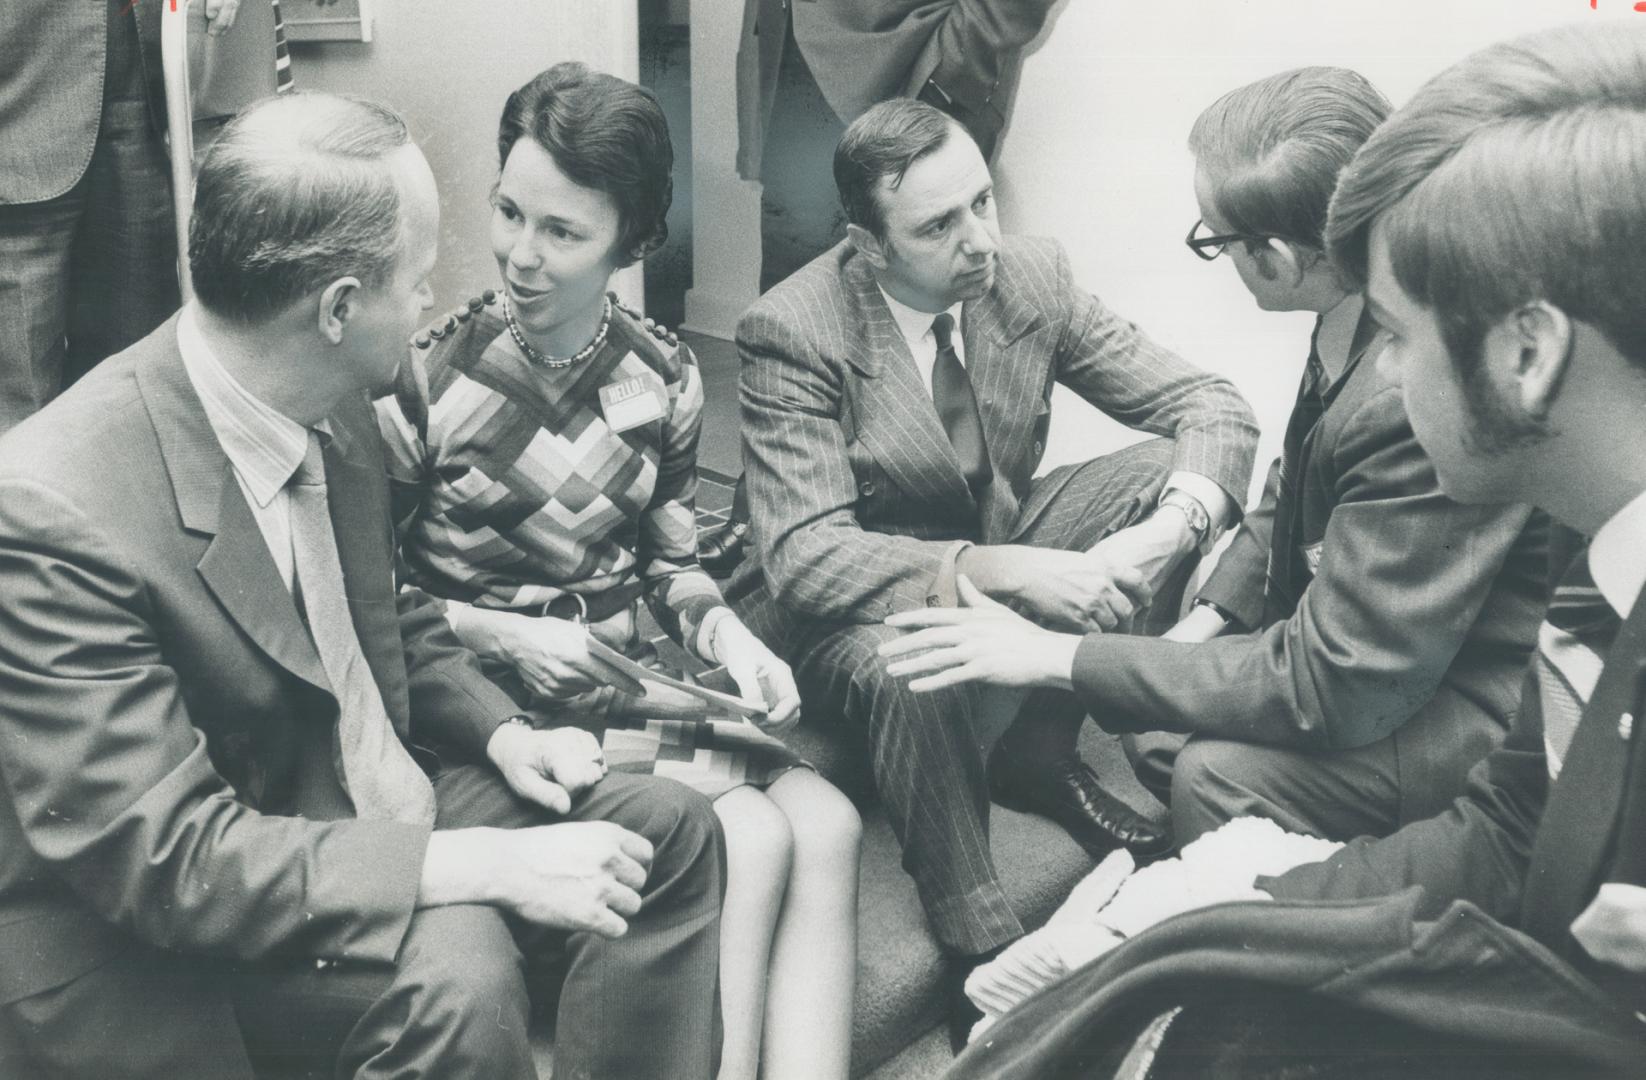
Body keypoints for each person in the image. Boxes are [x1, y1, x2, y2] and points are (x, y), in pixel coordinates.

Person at [946, 21, 1646, 1078]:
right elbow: (1508, 832)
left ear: (1525, 353)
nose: (1388, 371)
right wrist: (1194, 911)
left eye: (1401, 335)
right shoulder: (1592, 550)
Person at [0, 91, 724, 1080]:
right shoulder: (51, 511)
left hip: (354, 797)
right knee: (461, 972)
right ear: (338, 308)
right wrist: (472, 864)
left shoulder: (333, 396)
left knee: (668, 835)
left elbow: (380, 610)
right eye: (418, 283)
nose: (435, 304)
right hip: (180, 908)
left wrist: (503, 732)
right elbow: (169, 861)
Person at [881, 67, 1552, 846]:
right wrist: (1202, 619)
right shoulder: (1359, 291)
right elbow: (1295, 479)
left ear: (1275, 254)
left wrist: (1061, 656)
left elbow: (1332, 681)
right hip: (1398, 652)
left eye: (1216, 241)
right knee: (1160, 727)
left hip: (1477, 705)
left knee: (1209, 773)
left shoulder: (1403, 388)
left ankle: (1258, 924)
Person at [724, 96, 1260, 1041]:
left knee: (1153, 480)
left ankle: (1039, 748)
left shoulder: (1027, 275)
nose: (980, 241)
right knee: (915, 655)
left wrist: (1174, 528)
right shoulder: (791, 330)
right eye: (939, 224)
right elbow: (809, 561)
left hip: (979, 537)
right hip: (838, 597)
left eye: (983, 202)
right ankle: (978, 946)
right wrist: (1004, 571)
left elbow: (1210, 405)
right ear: (869, 244)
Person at [377, 63, 861, 1080]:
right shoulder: (420, 380)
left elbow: (672, 566)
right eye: (511, 212)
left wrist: (727, 634)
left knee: (830, 825)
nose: (519, 253)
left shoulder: (666, 376)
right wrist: (501, 632)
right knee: (757, 840)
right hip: (502, 711)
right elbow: (372, 602)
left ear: (631, 244)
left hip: (625, 684)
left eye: (563, 233)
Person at [701, 0, 1066, 574]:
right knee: (791, 314)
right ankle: (769, 518)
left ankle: (909, 556)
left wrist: (952, 72)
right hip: (793, 63)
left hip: (906, 69)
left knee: (908, 321)